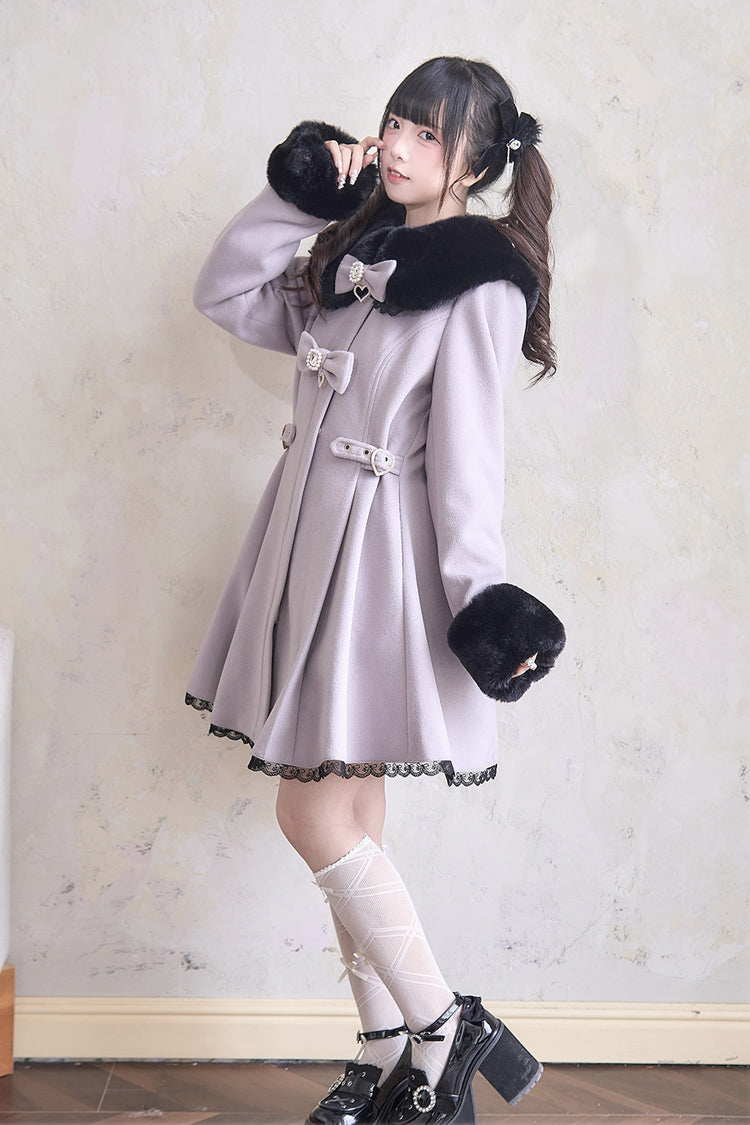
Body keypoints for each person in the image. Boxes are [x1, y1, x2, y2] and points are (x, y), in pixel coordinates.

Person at [186, 56, 566, 1125]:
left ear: (475, 164)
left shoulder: (483, 280)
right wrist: (305, 189)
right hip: (298, 546)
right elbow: (224, 293)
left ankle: (444, 1025)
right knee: (348, 808)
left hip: (378, 563)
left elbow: (470, 462)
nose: (399, 146)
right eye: (396, 123)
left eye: (429, 135)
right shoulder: (352, 254)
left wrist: (481, 595)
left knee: (309, 807)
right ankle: (387, 1050)